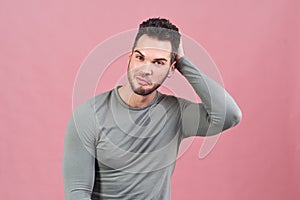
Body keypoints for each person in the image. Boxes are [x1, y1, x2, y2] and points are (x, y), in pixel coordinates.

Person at [62, 17, 242, 200]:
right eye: (140, 58)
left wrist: (184, 63)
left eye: (159, 62)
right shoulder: (89, 115)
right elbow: (77, 192)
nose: (146, 70)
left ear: (172, 69)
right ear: (130, 58)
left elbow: (230, 115)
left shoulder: (177, 113)